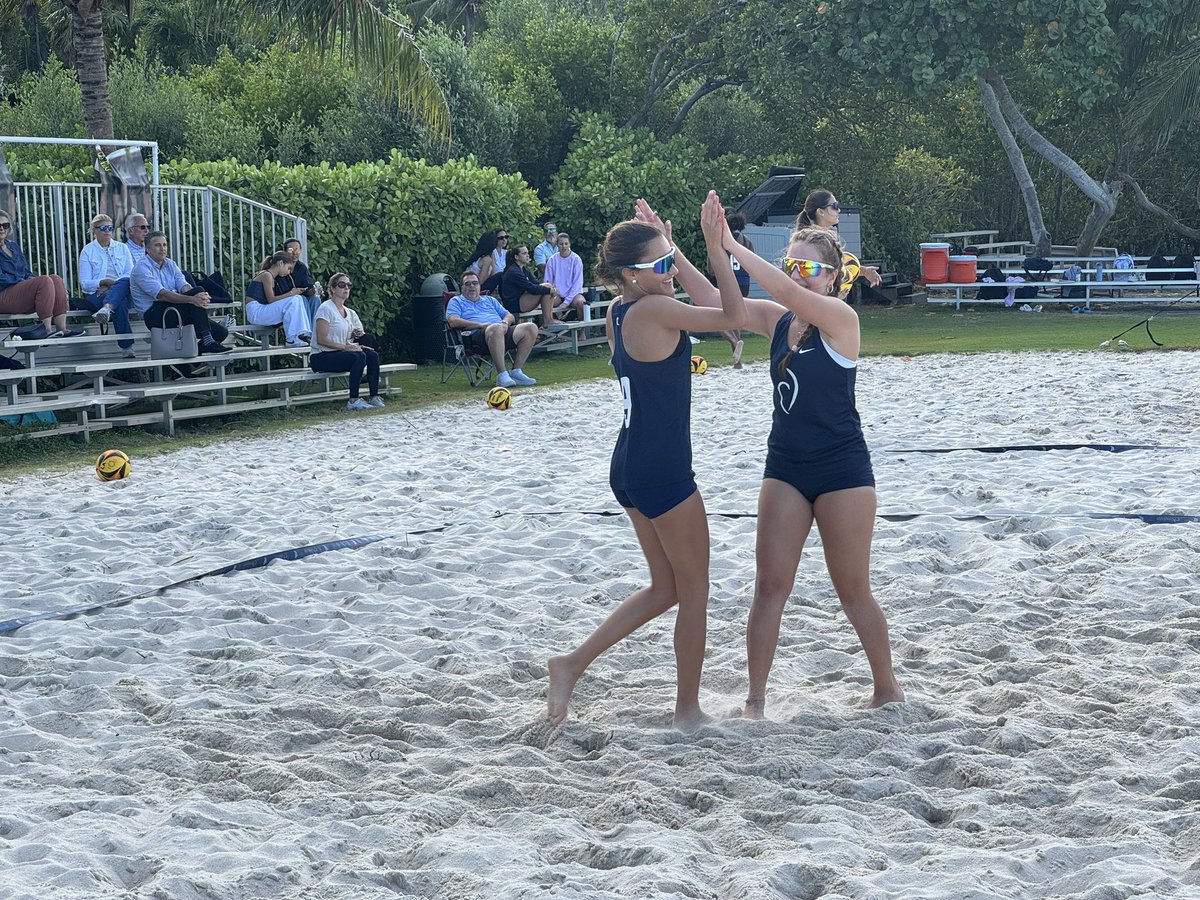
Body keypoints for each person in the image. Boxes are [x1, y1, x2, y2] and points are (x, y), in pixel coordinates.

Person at [640, 198, 904, 715]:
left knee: (852, 590)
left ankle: (886, 687)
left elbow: (781, 291)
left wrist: (731, 243)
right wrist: (673, 251)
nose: (797, 278)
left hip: (843, 470)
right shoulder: (779, 321)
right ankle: (755, 700)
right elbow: (717, 300)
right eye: (793, 267)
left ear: (830, 277)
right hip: (785, 467)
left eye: (808, 269)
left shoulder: (840, 320)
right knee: (769, 586)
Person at [547, 191, 746, 731]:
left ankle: (570, 664)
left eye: (669, 259)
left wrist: (675, 253)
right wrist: (714, 247)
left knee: (666, 587)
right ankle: (686, 710)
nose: (669, 271)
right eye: (659, 264)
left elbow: (714, 310)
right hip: (661, 468)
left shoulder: (621, 308)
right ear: (630, 275)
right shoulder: (656, 308)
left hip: (629, 463)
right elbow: (733, 313)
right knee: (695, 591)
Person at [130, 231, 230, 355]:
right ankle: (207, 339)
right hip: (154, 315)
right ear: (148, 249)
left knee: (221, 332)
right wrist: (192, 299)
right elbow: (162, 295)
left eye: (165, 245)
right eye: (158, 245)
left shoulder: (170, 264)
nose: (162, 249)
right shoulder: (141, 268)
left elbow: (184, 286)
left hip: (176, 310)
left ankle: (187, 364)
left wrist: (196, 296)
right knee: (197, 291)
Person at [0, 209, 84, 340]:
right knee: (44, 280)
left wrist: (30, 280)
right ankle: (46, 330)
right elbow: (2, 279)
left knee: (55, 279)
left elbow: (26, 271)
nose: (2, 229)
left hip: (19, 293)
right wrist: (22, 282)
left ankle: (62, 328)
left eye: (5, 225)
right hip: (3, 294)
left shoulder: (13, 247)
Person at [446, 270, 538, 388]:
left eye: (475, 283)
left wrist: (505, 322)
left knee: (530, 327)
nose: (472, 286)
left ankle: (516, 372)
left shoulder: (489, 300)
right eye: (468, 284)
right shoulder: (456, 301)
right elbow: (453, 321)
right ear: (462, 288)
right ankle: (502, 375)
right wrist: (480, 325)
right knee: (495, 328)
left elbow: (509, 315)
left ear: (479, 286)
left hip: (501, 330)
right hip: (476, 337)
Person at [309, 272, 384, 410]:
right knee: (359, 356)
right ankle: (353, 400)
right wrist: (346, 347)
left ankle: (374, 396)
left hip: (339, 352)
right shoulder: (325, 309)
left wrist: (356, 338)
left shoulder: (350, 312)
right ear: (332, 289)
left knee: (372, 355)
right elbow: (321, 339)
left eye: (348, 285)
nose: (346, 288)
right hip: (321, 355)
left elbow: (353, 335)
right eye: (342, 285)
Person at [795, 188, 883, 290]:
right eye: (835, 206)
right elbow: (825, 276)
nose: (839, 210)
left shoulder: (815, 239)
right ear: (821, 212)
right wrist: (849, 277)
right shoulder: (816, 242)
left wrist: (864, 271)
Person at [79, 212, 136, 357]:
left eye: (110, 228)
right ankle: (126, 347)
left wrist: (113, 285)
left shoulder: (122, 248)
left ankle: (107, 308)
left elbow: (130, 275)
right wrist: (102, 282)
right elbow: (84, 284)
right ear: (95, 230)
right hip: (97, 294)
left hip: (120, 289)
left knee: (124, 285)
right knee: (120, 301)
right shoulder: (87, 251)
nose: (108, 231)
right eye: (103, 228)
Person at [246, 251, 314, 348]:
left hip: (262, 309)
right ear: (281, 263)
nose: (289, 272)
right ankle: (292, 338)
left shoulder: (271, 276)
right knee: (295, 299)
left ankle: (302, 334)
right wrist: (291, 293)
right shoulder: (266, 275)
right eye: (288, 268)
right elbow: (271, 299)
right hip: (256, 312)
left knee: (298, 298)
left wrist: (293, 294)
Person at [499, 244, 562, 329]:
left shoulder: (523, 269)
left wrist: (550, 289)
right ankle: (548, 320)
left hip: (521, 299)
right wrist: (550, 290)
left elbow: (535, 283)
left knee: (547, 287)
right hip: (514, 304)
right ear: (516, 257)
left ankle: (549, 320)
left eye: (527, 253)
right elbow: (531, 288)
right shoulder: (514, 271)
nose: (528, 255)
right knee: (547, 289)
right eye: (524, 253)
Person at [544, 232, 587, 321]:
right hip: (557, 294)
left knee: (581, 303)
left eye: (566, 243)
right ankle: (549, 328)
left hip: (574, 294)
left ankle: (582, 332)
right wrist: (553, 293)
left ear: (569, 244)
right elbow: (548, 281)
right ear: (557, 245)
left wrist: (567, 301)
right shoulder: (552, 260)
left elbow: (577, 283)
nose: (564, 246)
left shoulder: (576, 259)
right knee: (545, 302)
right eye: (561, 244)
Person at [280, 238, 321, 324]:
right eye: (291, 250)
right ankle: (306, 332)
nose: (294, 253)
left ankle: (313, 332)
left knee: (315, 299)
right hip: (284, 300)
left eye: (297, 250)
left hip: (300, 299)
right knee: (301, 299)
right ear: (285, 251)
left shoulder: (301, 267)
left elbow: (307, 286)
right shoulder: (280, 266)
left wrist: (313, 291)